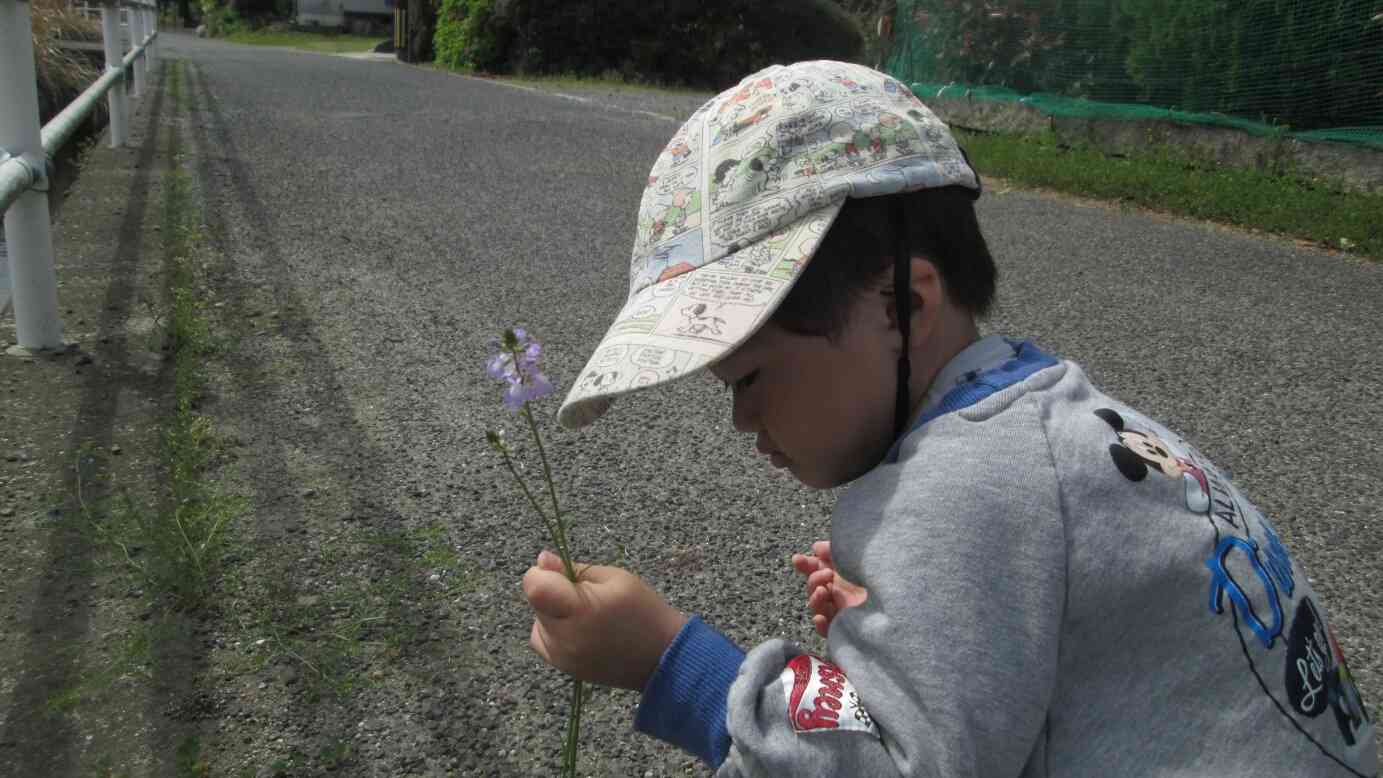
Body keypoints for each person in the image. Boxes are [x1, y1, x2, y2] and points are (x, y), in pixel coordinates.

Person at [521, 60, 1378, 777]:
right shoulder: (1047, 418)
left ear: (902, 304)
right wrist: (921, 618)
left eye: (747, 378)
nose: (742, 421)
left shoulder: (965, 489)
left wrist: (672, 664)